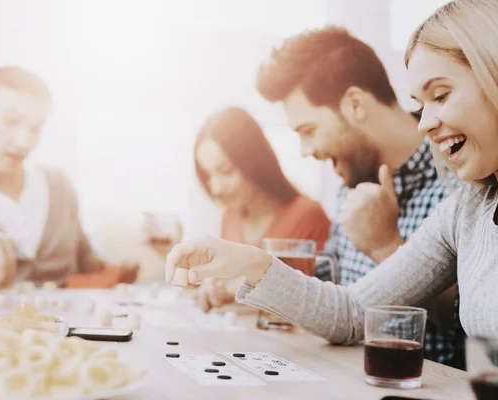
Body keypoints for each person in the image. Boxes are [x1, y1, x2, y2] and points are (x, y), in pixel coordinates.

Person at [166, 1, 498, 398]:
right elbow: (352, 312)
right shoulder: (468, 208)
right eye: (420, 105)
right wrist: (247, 261)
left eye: (440, 96)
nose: (424, 124)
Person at [195, 27, 463, 368]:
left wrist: (384, 245)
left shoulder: (457, 181)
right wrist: (240, 283)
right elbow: (328, 294)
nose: (307, 151)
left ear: (355, 104)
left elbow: (467, 328)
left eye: (308, 131)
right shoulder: (350, 185)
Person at [0, 66, 139, 289]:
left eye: (35, 128)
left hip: (62, 323)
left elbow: (88, 266)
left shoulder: (58, 187)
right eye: (11, 121)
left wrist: (132, 264)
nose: (23, 141)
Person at [191, 106, 330, 311]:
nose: (216, 187)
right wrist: (213, 286)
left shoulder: (306, 215)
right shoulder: (230, 218)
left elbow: (315, 302)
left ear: (253, 162)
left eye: (226, 171)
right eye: (208, 175)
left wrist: (233, 289)